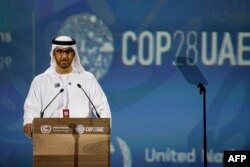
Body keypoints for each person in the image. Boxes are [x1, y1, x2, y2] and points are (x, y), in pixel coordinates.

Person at [23, 35, 111, 137]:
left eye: (68, 52)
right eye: (59, 52)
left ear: (74, 54)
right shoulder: (40, 81)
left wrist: (105, 127)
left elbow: (102, 106)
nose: (64, 56)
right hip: (49, 138)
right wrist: (29, 122)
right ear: (53, 54)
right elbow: (32, 107)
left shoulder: (87, 79)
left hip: (82, 137)